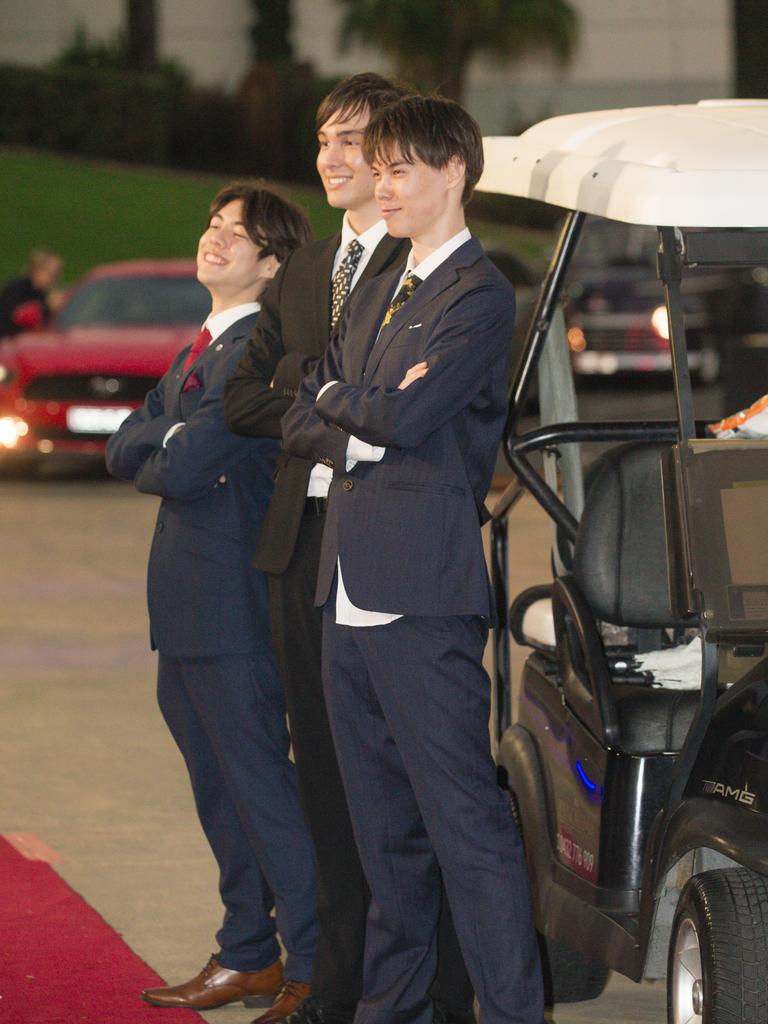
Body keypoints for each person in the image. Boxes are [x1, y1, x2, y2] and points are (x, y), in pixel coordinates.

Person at [280, 95, 545, 1024]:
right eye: (377, 168)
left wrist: (357, 404)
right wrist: (363, 403)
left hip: (420, 596)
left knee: (464, 829)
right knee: (381, 836)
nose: (382, 186)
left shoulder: (478, 293)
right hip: (345, 588)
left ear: (454, 174)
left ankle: (514, 1011)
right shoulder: (385, 279)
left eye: (399, 170)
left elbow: (405, 417)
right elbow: (310, 402)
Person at [224, 75, 474, 1024]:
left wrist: (319, 394)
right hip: (302, 543)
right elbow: (249, 397)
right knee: (326, 776)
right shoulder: (304, 270)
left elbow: (378, 406)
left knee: (414, 779)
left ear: (402, 155)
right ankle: (339, 986)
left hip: (393, 543)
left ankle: (439, 991)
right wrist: (321, 388)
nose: (334, 160)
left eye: (355, 142)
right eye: (323, 141)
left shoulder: (419, 267)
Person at [106, 183, 318, 1020]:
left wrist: (163, 441)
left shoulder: (252, 356)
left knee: (262, 790)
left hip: (233, 610)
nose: (215, 239)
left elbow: (185, 466)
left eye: (239, 234)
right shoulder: (200, 346)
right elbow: (128, 444)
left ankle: (311, 963)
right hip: (186, 612)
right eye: (213, 224)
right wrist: (164, 437)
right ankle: (245, 954)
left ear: (272, 265)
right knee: (217, 791)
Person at [0, 249, 62, 336]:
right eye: (52, 273)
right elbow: (18, 316)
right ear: (37, 270)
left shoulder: (40, 293)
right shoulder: (18, 288)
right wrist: (47, 306)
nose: (55, 279)